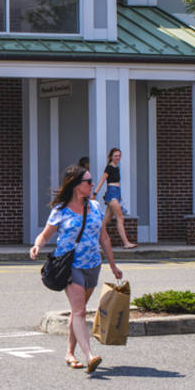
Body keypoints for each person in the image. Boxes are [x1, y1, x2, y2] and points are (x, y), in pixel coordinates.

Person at [29, 164, 122, 371]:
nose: (92, 185)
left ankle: (70, 353)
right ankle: (89, 356)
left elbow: (104, 238)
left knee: (76, 312)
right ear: (75, 185)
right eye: (88, 182)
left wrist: (114, 266)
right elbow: (45, 235)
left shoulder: (95, 207)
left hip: (93, 264)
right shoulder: (60, 211)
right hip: (70, 265)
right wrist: (37, 246)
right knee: (79, 311)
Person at [102, 147, 133, 251]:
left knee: (105, 220)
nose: (118, 157)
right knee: (120, 218)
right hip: (112, 193)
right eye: (115, 155)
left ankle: (95, 240)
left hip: (116, 193)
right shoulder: (109, 168)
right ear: (111, 156)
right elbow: (103, 180)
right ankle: (126, 243)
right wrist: (95, 193)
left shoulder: (117, 168)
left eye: (119, 155)